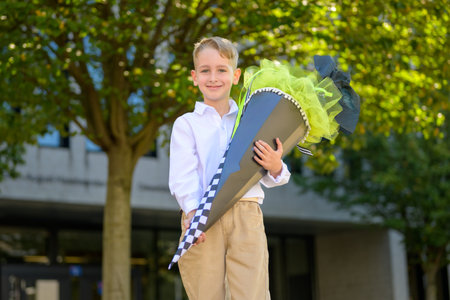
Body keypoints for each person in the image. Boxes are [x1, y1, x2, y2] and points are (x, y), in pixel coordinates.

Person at [169, 36, 291, 300]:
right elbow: (182, 175)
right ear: (194, 76)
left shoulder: (251, 120)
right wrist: (192, 213)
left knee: (252, 292)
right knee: (206, 290)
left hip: (246, 213)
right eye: (205, 70)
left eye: (221, 70)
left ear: (235, 76)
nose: (213, 77)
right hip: (203, 216)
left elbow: (273, 174)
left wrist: (276, 165)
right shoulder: (186, 124)